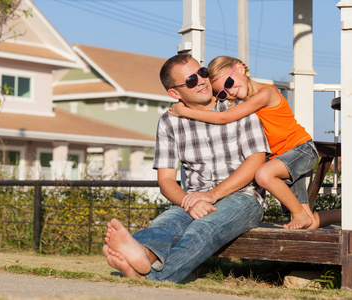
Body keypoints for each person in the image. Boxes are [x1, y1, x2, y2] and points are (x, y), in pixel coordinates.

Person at [102, 53, 270, 283]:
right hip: (193, 199)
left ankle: (153, 277)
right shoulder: (169, 121)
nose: (201, 80)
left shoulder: (238, 105)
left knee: (203, 229)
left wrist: (211, 196)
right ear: (174, 93)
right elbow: (166, 180)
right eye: (191, 80)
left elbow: (256, 162)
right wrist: (187, 202)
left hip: (243, 197)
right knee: (167, 222)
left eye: (202, 72)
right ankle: (143, 254)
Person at [168, 55, 340, 230]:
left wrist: (184, 111)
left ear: (241, 69)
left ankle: (298, 213)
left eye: (228, 83)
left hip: (300, 149)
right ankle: (345, 213)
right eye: (222, 93)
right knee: (308, 223)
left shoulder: (266, 93)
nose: (230, 92)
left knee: (263, 174)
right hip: (281, 160)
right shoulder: (245, 103)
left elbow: (223, 117)